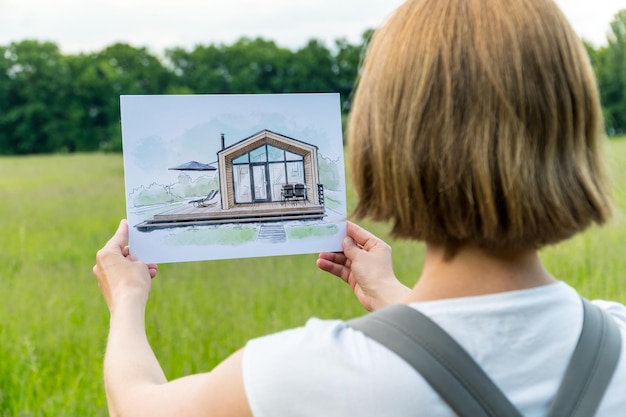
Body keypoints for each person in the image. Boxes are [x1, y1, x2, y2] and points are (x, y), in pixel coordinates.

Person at [93, 0, 626, 415]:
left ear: (383, 144)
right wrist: (396, 297)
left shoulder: (310, 375)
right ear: (574, 131)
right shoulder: (617, 339)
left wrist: (127, 297)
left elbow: (136, 406)